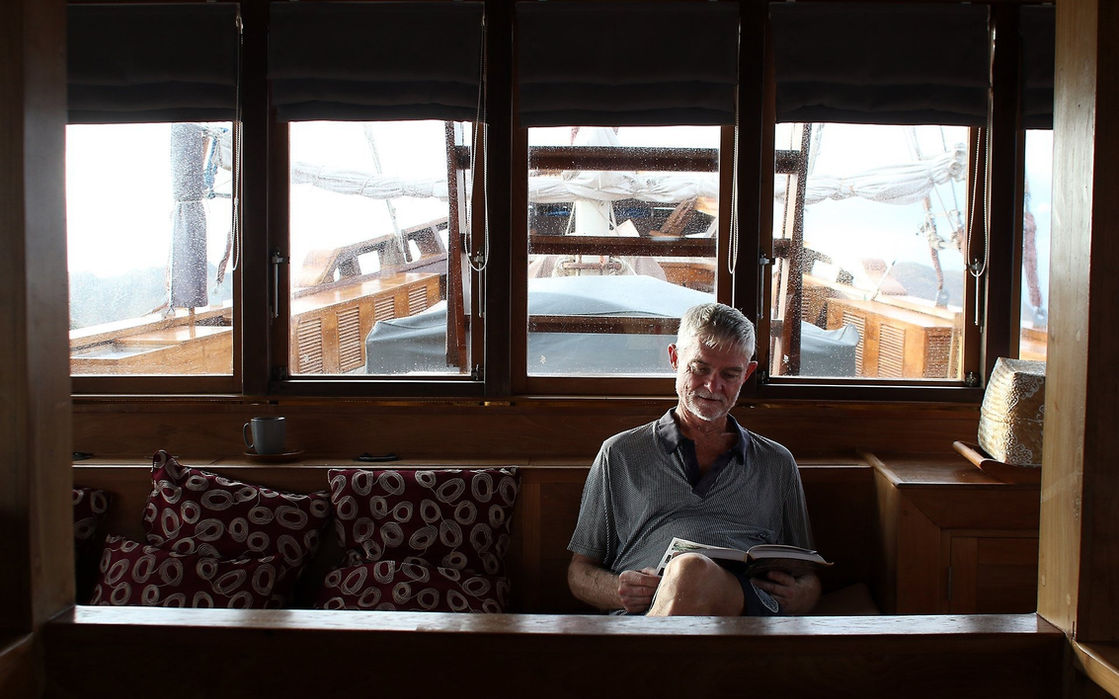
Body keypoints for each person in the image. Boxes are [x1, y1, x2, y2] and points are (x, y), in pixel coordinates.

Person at [566, 302, 821, 616]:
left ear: (748, 374)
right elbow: (579, 574)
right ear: (675, 358)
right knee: (686, 574)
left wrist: (801, 594)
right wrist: (618, 590)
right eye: (700, 369)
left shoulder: (776, 462)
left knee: (690, 571)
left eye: (730, 374)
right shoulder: (620, 453)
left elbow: (809, 575)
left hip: (745, 614)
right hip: (646, 611)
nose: (713, 386)